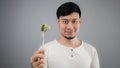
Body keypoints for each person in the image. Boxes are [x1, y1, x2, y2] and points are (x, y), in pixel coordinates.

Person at [30, 2, 100, 68]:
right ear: (58, 22)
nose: (70, 27)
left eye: (74, 21)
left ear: (80, 21)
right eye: (65, 21)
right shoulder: (45, 50)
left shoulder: (91, 51)